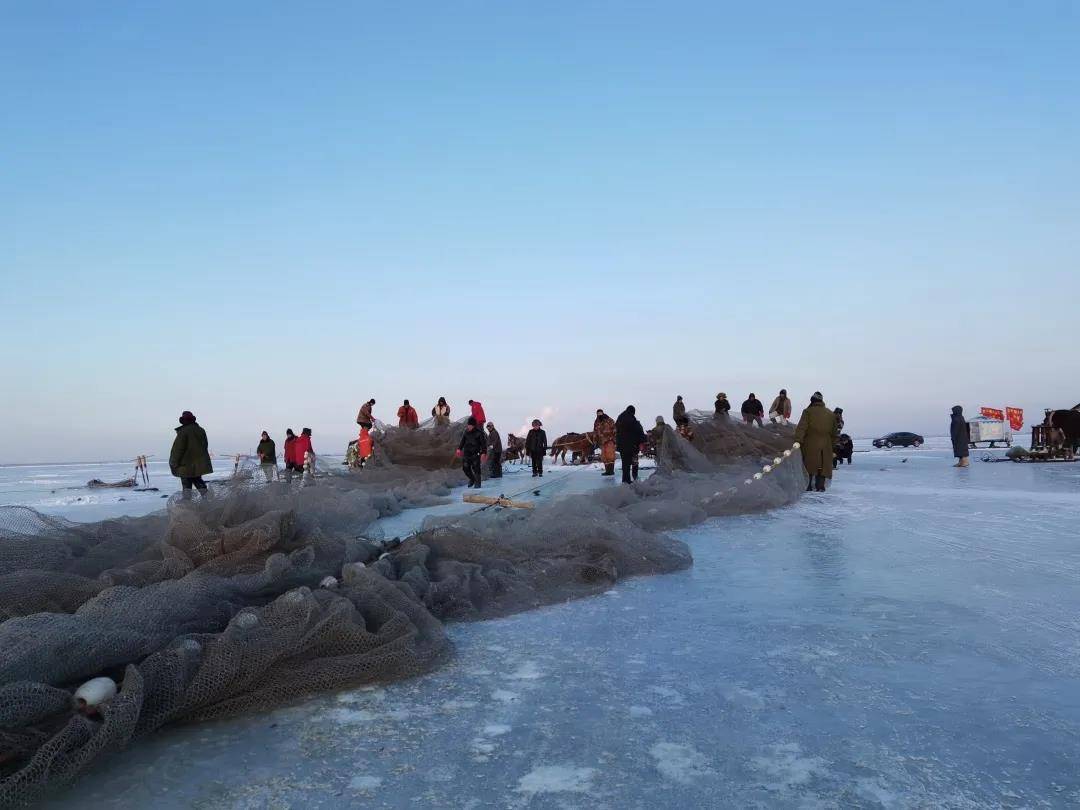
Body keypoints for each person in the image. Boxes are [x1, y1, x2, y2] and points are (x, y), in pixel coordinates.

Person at [794, 393, 838, 492]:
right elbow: (835, 433)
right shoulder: (830, 414)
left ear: (812, 401)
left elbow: (802, 427)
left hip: (811, 442)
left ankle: (808, 485)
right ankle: (820, 486)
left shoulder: (808, 412)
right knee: (823, 466)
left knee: (809, 465)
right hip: (826, 443)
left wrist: (798, 441)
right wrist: (832, 446)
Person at [170, 411, 213, 499]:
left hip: (185, 466)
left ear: (184, 421)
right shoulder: (201, 430)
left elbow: (178, 449)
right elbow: (204, 446)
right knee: (198, 482)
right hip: (198, 464)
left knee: (187, 488)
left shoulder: (184, 431)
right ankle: (209, 501)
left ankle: (187, 506)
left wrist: (173, 462)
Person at [615, 405, 646, 484]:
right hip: (632, 446)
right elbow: (639, 431)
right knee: (634, 462)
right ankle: (635, 478)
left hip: (622, 446)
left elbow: (616, 431)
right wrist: (643, 440)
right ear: (633, 412)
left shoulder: (620, 418)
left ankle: (626, 480)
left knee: (625, 464)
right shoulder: (633, 420)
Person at [456, 417, 488, 488]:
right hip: (467, 453)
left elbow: (483, 444)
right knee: (465, 468)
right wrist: (459, 449)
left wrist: (484, 453)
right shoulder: (466, 431)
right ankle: (472, 479)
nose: (468, 426)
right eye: (468, 425)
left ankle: (478, 484)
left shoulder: (479, 433)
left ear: (473, 425)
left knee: (476, 468)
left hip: (475, 453)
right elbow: (462, 441)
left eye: (469, 425)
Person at [594, 408, 618, 476]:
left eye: (600, 413)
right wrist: (595, 441)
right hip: (602, 441)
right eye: (598, 413)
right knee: (604, 457)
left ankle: (611, 471)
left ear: (603, 413)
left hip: (609, 440)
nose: (599, 414)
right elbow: (595, 432)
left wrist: (613, 439)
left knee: (610, 456)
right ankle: (607, 471)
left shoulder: (609, 420)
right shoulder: (596, 422)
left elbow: (615, 429)